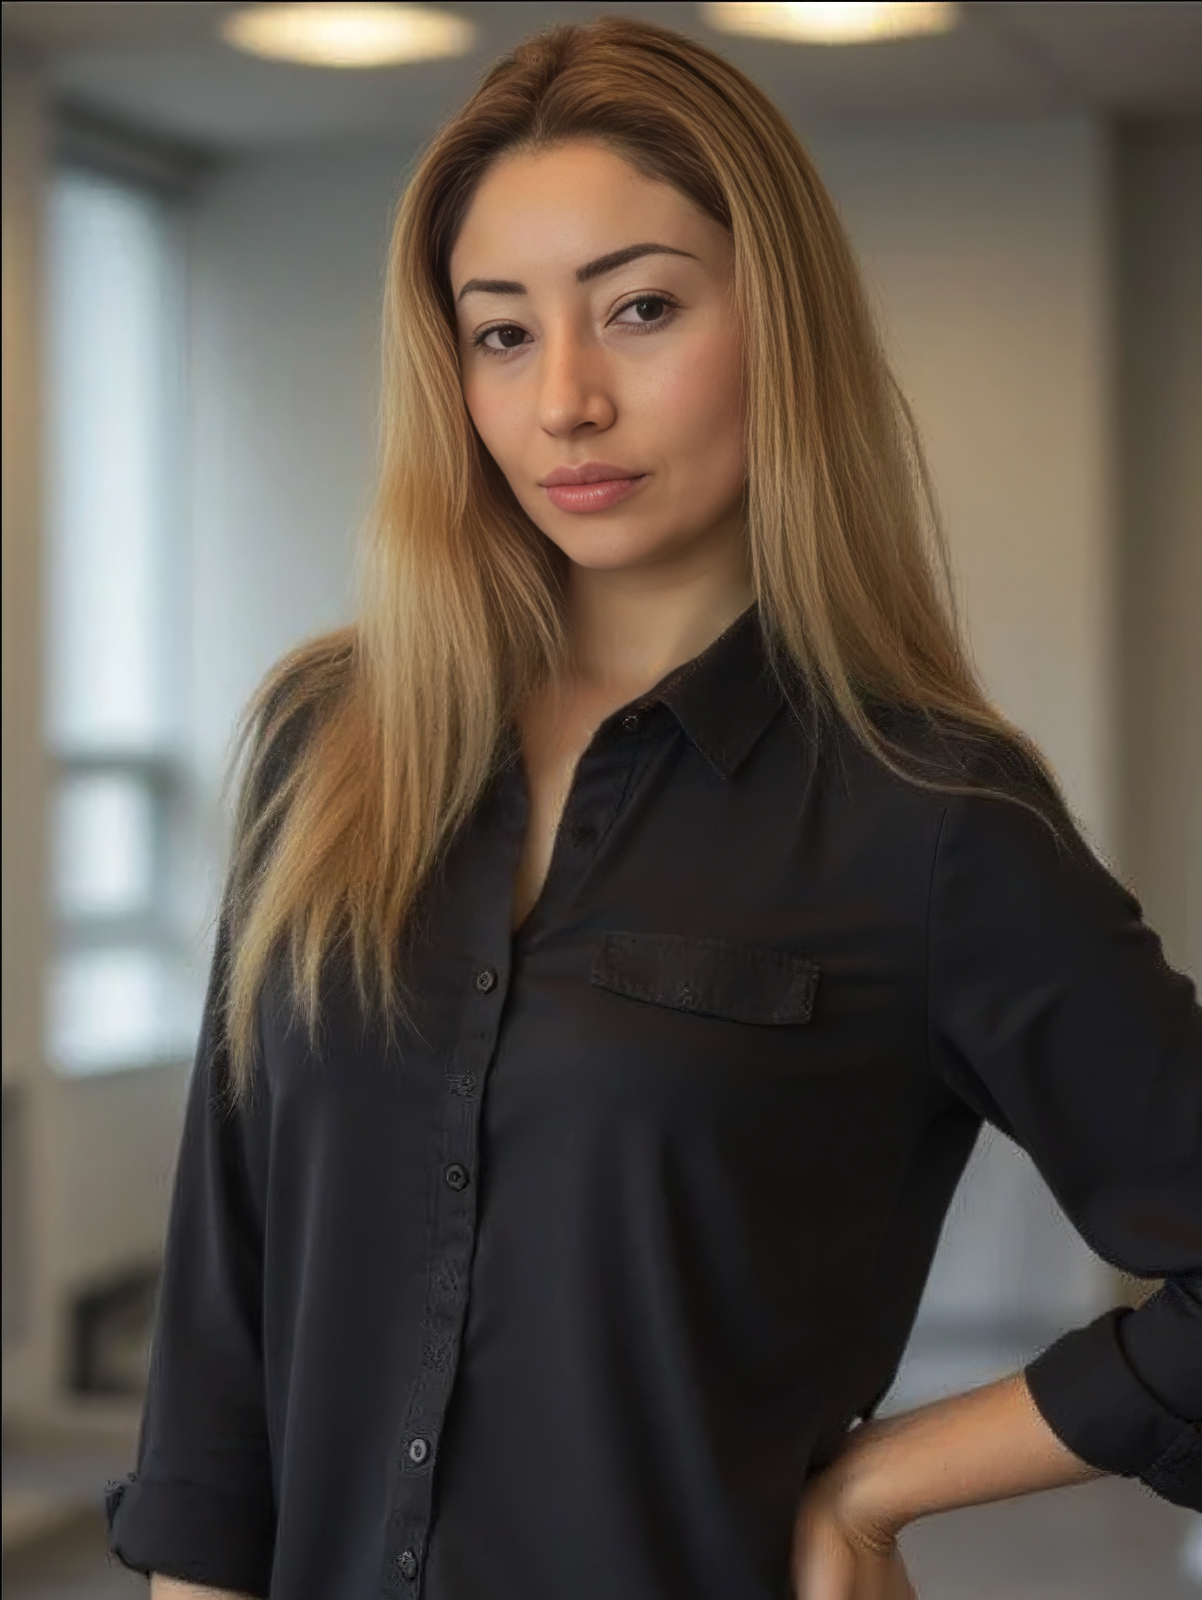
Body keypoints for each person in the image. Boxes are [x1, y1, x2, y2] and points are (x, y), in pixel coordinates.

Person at [106, 18, 1201, 1600]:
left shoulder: (929, 814)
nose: (564, 400)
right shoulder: (328, 741)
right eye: (499, 332)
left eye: (639, 309)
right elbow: (221, 1339)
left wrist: (879, 1483)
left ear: (779, 326)